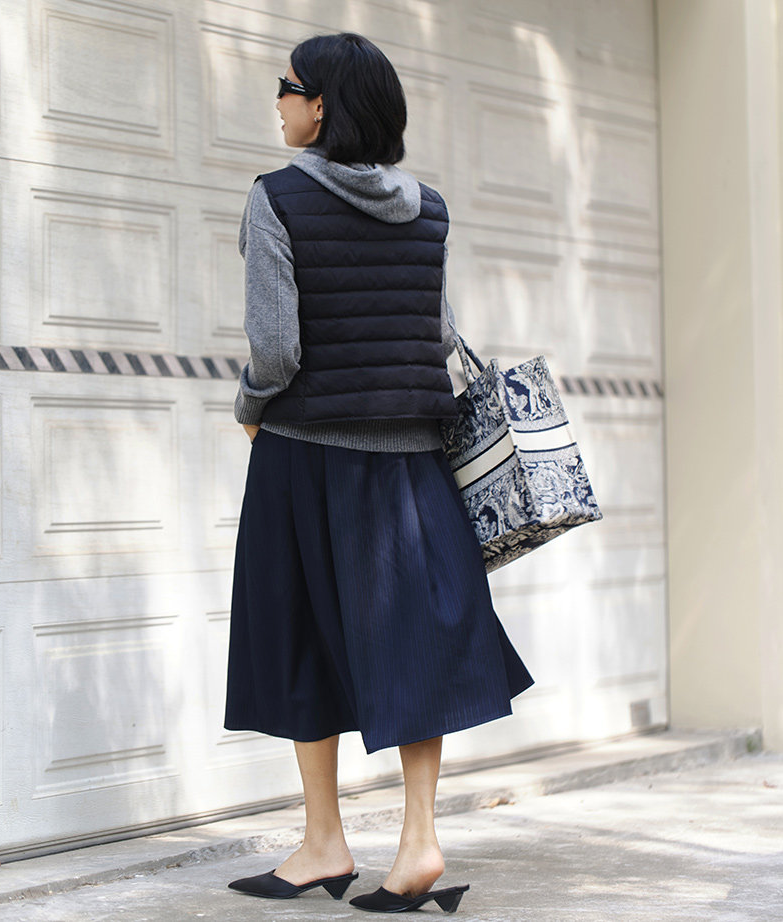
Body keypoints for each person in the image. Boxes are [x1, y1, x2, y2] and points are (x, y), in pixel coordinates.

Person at [223, 31, 535, 915]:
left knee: (297, 637)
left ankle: (325, 840)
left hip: (306, 454)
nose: (277, 101)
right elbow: (438, 332)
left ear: (320, 104)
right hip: (413, 463)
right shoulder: (428, 207)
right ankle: (418, 842)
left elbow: (276, 349)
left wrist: (248, 405)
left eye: (286, 86)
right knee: (416, 645)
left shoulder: (276, 197)